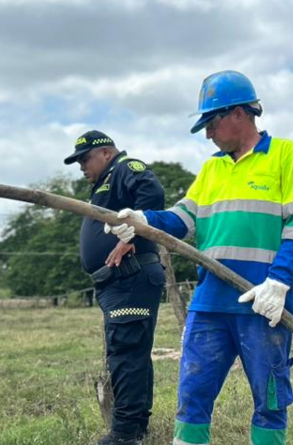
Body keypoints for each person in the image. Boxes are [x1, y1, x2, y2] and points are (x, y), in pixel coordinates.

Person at [104, 71, 293, 445]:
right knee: (193, 393)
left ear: (239, 113)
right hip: (210, 303)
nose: (208, 134)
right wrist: (142, 221)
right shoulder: (212, 168)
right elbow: (182, 220)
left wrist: (279, 282)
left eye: (211, 122)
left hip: (264, 302)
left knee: (269, 399)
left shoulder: (286, 155)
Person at [65, 129, 167, 445]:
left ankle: (124, 435)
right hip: (120, 281)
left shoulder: (125, 169)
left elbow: (154, 194)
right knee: (131, 352)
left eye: (85, 159)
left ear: (106, 153)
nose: (82, 166)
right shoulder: (105, 183)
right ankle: (135, 427)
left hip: (130, 276)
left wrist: (132, 238)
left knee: (125, 353)